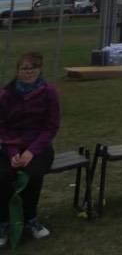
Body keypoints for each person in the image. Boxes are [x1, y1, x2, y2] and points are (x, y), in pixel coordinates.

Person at [0, 51, 60, 245]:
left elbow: (51, 127)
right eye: (25, 68)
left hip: (39, 146)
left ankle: (30, 219)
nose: (29, 72)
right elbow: (2, 127)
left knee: (33, 175)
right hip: (10, 146)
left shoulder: (48, 92)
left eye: (34, 68)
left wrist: (31, 152)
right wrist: (13, 152)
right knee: (3, 176)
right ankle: (3, 223)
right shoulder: (6, 94)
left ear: (40, 69)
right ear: (17, 71)